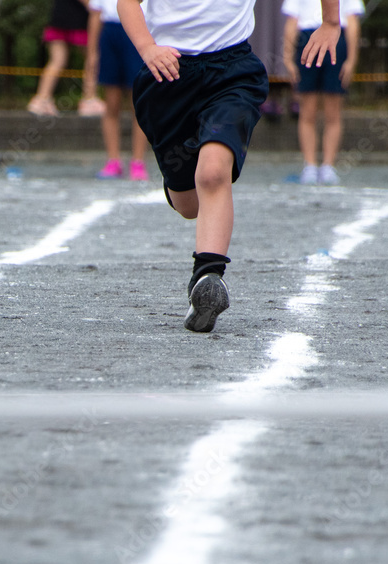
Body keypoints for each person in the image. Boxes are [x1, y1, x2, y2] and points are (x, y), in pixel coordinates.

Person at [118, 0, 341, 333]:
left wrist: (331, 22)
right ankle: (179, 184)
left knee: (212, 172)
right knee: (188, 204)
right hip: (167, 74)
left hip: (232, 72)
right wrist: (147, 48)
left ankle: (207, 278)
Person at [282, 0, 363, 186]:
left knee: (333, 111)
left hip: (336, 38)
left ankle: (328, 166)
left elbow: (352, 22)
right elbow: (292, 21)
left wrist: (351, 60)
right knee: (307, 110)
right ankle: (309, 165)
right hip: (307, 38)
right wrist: (287, 58)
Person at [88, 0, 147, 181]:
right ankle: (113, 160)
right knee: (111, 103)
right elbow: (95, 15)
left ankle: (138, 162)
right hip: (111, 33)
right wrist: (92, 53)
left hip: (138, 31)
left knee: (138, 102)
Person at [27, 0, 103, 117]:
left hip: (59, 18)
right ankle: (89, 99)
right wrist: (97, 8)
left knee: (57, 61)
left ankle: (42, 99)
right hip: (79, 21)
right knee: (92, 57)